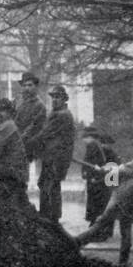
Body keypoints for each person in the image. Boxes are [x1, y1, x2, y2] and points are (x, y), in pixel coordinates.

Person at [74, 139, 133, 267]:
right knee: (126, 230)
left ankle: (75, 243)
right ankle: (123, 262)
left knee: (100, 223)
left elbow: (116, 170)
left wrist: (101, 169)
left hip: (121, 200)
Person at [26, 84, 76, 222]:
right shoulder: (57, 114)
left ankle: (49, 218)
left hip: (56, 159)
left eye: (58, 97)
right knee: (48, 185)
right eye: (53, 97)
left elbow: (44, 133)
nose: (54, 100)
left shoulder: (62, 115)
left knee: (49, 186)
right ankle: (51, 217)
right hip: (52, 157)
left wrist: (26, 143)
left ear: (64, 99)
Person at [80, 124, 114, 234]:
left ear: (90, 137)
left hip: (97, 181)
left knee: (97, 205)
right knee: (97, 205)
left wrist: (93, 177)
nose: (84, 140)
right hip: (96, 180)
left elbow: (96, 164)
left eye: (85, 137)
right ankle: (97, 228)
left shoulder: (93, 146)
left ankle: (98, 229)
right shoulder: (94, 146)